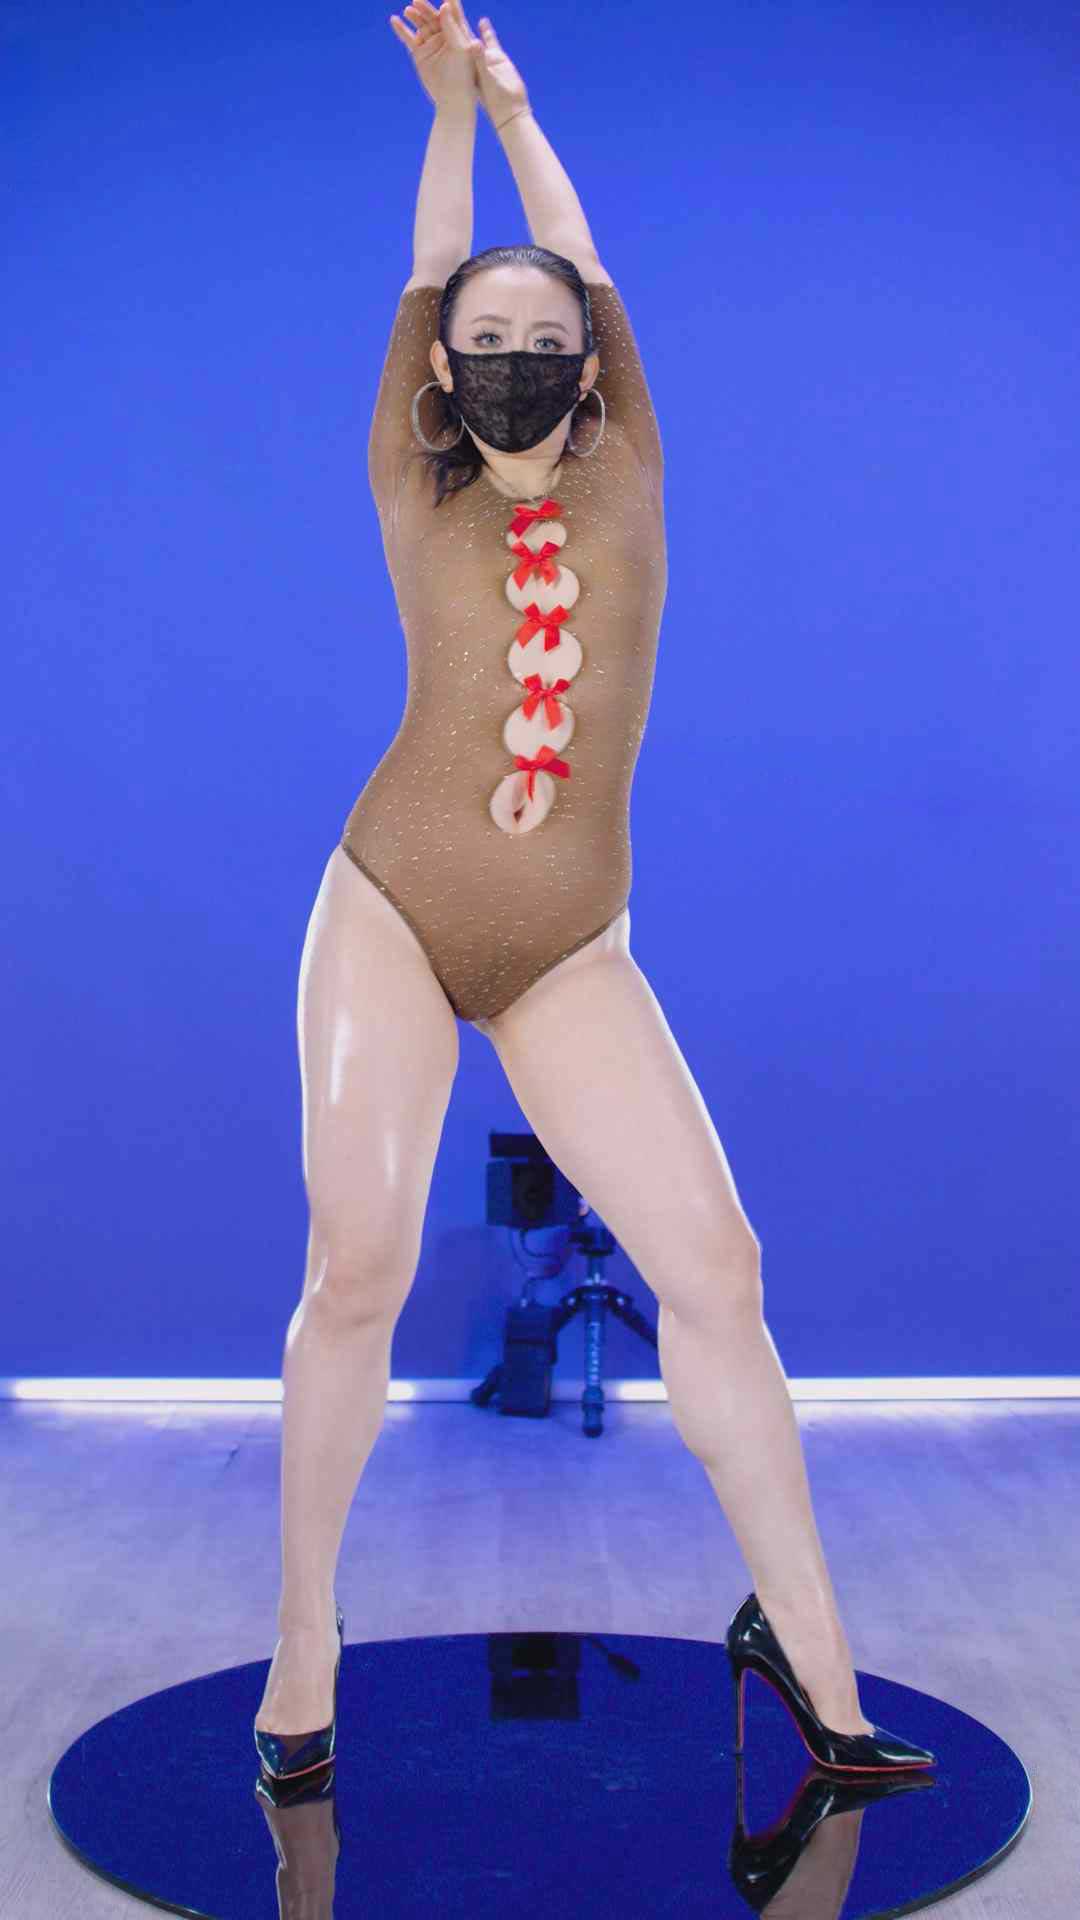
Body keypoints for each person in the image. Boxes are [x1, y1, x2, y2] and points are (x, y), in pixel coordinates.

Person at [254, 0, 933, 1780]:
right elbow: (429, 269)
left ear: (585, 363)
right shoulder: (413, 489)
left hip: (569, 942)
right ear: (444, 367)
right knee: (356, 1267)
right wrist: (444, 117)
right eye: (485, 341)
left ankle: (813, 1653)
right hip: (392, 906)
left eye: (544, 339)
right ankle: (303, 1637)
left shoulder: (627, 473)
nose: (515, 357)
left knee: (719, 1268)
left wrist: (517, 110)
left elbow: (589, 266)